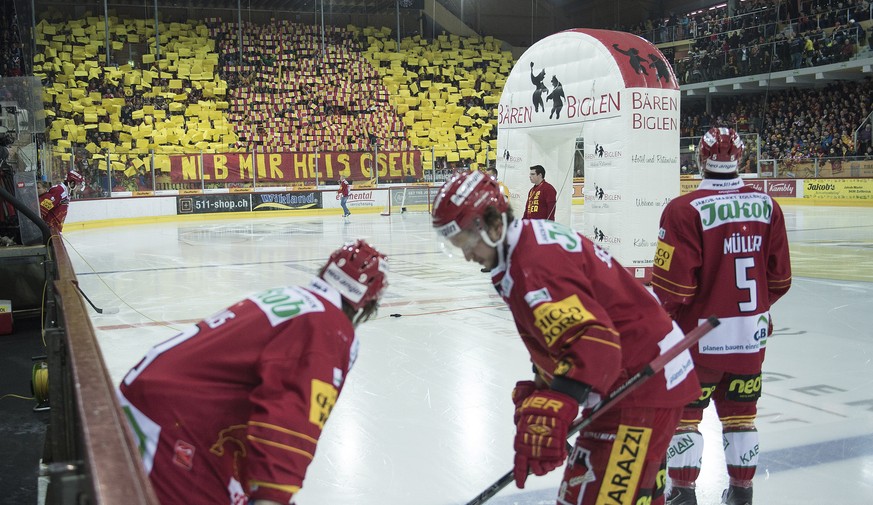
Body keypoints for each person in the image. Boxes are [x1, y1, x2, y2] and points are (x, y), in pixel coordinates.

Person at [432, 170, 701, 505]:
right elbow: (558, 333)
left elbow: (594, 343)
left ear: (493, 224)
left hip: (642, 385)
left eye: (468, 244)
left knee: (591, 495)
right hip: (636, 377)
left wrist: (559, 401)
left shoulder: (532, 266)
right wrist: (545, 386)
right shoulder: (525, 245)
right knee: (634, 495)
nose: (467, 255)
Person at [117, 240, 389, 505]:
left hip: (156, 404)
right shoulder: (329, 326)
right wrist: (273, 494)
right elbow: (291, 420)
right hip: (171, 423)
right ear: (366, 305)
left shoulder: (295, 298)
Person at [652, 127, 792, 505]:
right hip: (750, 339)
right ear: (741, 160)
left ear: (699, 159)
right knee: (742, 417)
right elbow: (780, 280)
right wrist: (755, 313)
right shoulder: (768, 207)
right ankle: (742, 492)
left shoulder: (684, 210)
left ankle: (683, 493)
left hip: (697, 343)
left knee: (685, 418)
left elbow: (672, 290)